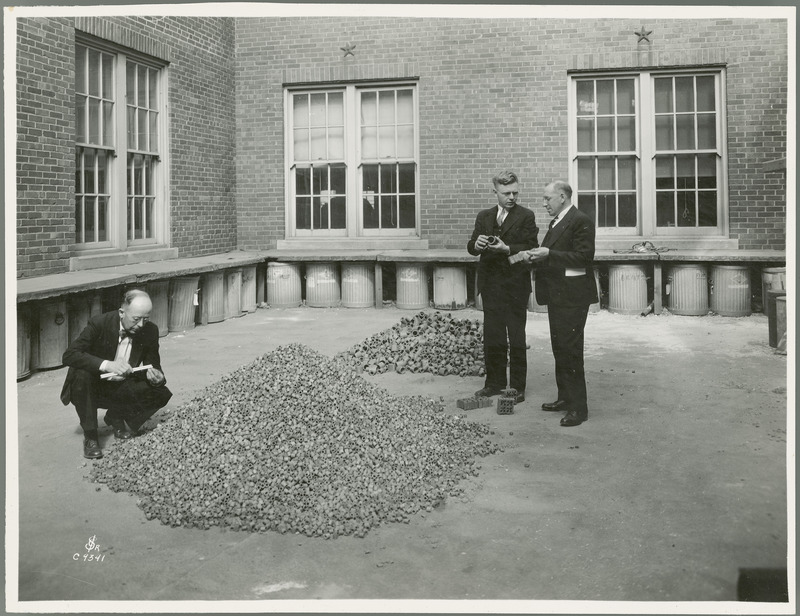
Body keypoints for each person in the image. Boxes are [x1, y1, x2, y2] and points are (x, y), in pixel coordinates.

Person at [60, 289, 172, 458]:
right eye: (136, 319)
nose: (141, 325)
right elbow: (69, 355)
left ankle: (115, 416)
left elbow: (153, 365)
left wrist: (157, 377)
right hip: (93, 385)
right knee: (81, 375)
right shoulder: (99, 323)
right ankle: (91, 436)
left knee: (160, 392)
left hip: (122, 383)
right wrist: (107, 365)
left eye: (146, 319)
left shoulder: (150, 330)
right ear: (122, 312)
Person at [522, 180, 597, 426]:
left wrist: (548, 254)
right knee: (560, 348)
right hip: (558, 296)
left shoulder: (580, 220)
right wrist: (534, 256)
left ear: (562, 196)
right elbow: (555, 253)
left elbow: (584, 257)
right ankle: (565, 398)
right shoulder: (557, 221)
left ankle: (579, 408)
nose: (544, 204)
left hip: (573, 298)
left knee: (571, 351)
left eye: (547, 199)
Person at [467, 170, 539, 403]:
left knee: (516, 337)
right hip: (491, 286)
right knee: (493, 336)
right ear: (495, 192)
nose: (511, 197)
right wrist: (476, 245)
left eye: (515, 192)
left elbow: (531, 246)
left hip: (515, 286)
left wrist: (507, 249)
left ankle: (517, 387)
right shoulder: (484, 216)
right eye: (506, 193)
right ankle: (494, 383)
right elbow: (471, 245)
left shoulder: (526, 216)